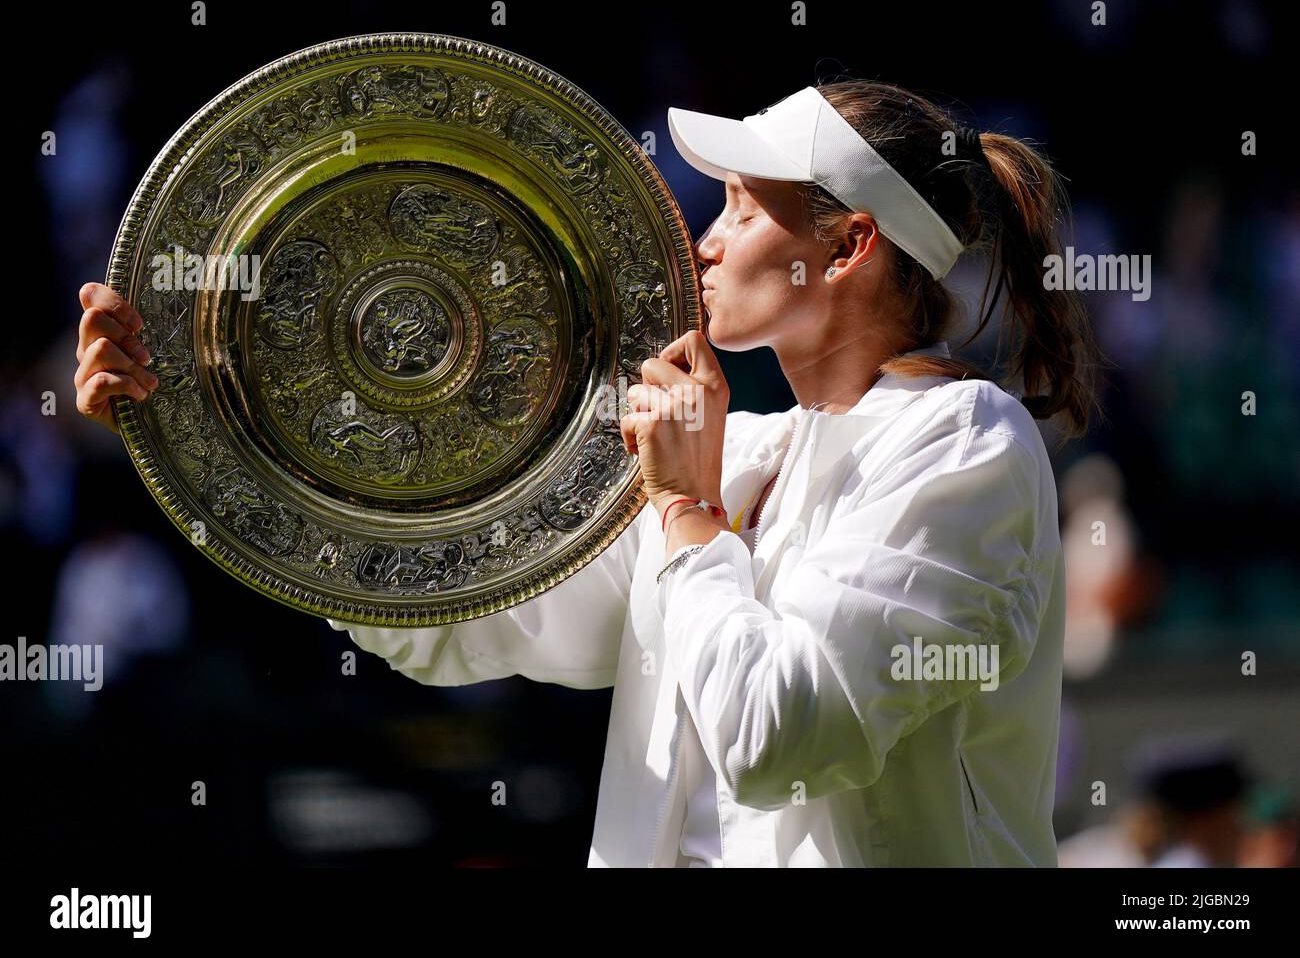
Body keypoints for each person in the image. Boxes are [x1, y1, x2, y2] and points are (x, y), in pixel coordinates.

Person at [75, 79, 1100, 867]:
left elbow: (782, 736)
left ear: (849, 246)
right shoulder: (741, 452)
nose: (703, 242)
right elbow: (474, 622)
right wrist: (207, 415)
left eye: (743, 210)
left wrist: (687, 513)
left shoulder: (963, 441)